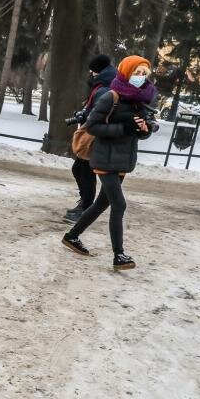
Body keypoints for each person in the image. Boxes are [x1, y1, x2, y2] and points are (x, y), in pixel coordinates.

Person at [61, 55, 158, 271]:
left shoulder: (139, 101)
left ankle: (72, 236)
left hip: (123, 160)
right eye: (136, 73)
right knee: (119, 204)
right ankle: (119, 255)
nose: (140, 77)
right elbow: (92, 126)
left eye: (144, 74)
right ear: (126, 73)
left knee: (101, 204)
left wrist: (144, 129)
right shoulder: (110, 96)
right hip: (105, 158)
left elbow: (139, 133)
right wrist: (123, 128)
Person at [65, 54, 117, 223]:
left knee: (85, 172)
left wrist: (84, 116)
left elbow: (98, 112)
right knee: (79, 169)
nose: (90, 73)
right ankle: (84, 203)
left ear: (98, 71)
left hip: (95, 136)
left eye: (92, 70)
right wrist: (84, 113)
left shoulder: (104, 88)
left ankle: (86, 207)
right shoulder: (104, 84)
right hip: (94, 133)